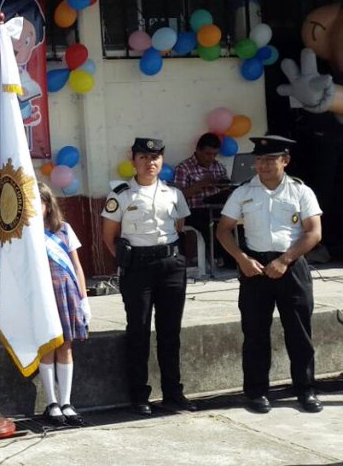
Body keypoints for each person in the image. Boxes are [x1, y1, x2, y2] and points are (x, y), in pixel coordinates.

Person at [215, 136, 323, 414]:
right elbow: (223, 229)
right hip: (255, 267)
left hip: (291, 263)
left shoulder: (301, 191)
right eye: (258, 160)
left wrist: (285, 260)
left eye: (269, 159)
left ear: (284, 160)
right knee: (255, 333)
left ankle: (306, 390)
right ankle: (256, 393)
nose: (261, 165)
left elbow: (314, 232)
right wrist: (241, 259)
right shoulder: (243, 192)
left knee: (299, 333)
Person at [101, 138, 197, 416]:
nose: (150, 163)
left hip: (170, 265)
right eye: (143, 157)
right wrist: (127, 260)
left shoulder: (173, 193)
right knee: (139, 330)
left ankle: (173, 393)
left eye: (155, 158)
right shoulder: (120, 194)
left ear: (161, 161)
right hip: (137, 268)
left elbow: (179, 227)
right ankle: (139, 395)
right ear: (133, 160)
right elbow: (109, 237)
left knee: (170, 332)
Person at [37, 182, 91, 426]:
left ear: (48, 206)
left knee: (66, 346)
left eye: (39, 202)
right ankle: (51, 403)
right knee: (48, 345)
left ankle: (66, 401)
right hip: (43, 294)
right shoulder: (26, 235)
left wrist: (84, 299)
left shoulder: (65, 230)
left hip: (66, 292)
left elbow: (77, 266)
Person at [173, 132, 231, 261]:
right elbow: (178, 197)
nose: (211, 158)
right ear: (198, 150)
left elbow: (227, 187)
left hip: (218, 208)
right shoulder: (184, 168)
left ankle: (232, 258)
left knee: (233, 220)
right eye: (208, 154)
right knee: (207, 222)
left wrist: (224, 186)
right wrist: (200, 185)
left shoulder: (219, 166)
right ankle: (216, 257)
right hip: (194, 211)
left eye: (215, 154)